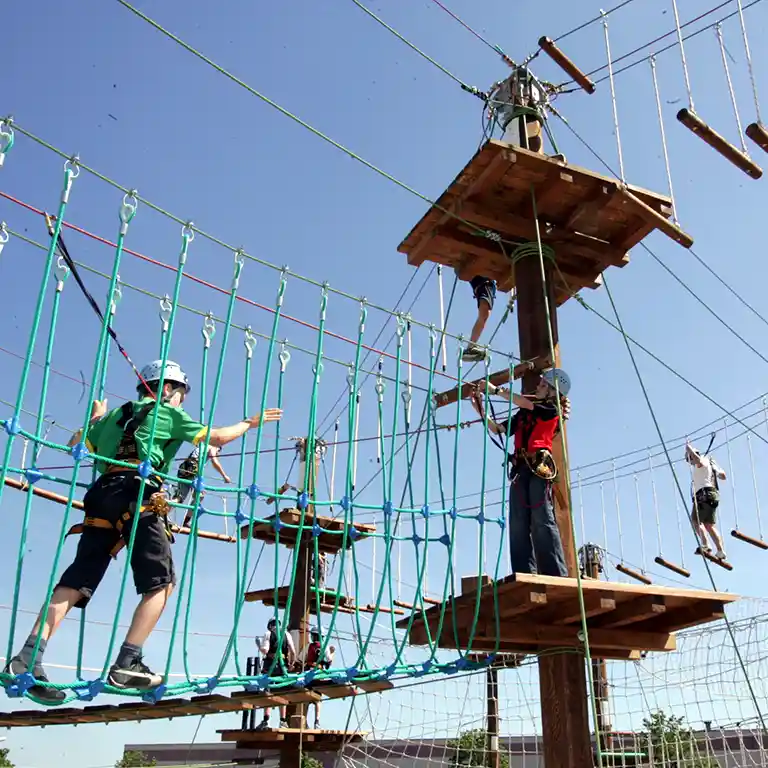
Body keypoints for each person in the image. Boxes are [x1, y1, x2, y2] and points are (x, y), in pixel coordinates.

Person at [4, 360, 282, 703]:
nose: (181, 400)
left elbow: (76, 442)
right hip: (138, 493)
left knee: (75, 582)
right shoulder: (168, 412)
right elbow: (218, 437)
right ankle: (127, 663)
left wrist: (96, 418)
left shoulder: (113, 416)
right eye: (180, 393)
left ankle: (26, 658)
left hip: (101, 495)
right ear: (168, 389)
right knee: (161, 584)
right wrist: (249, 422)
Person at [471, 369, 572, 577]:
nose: (538, 387)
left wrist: (495, 390)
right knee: (517, 522)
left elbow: (526, 403)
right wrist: (482, 412)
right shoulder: (524, 414)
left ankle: (555, 573)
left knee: (541, 518)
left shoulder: (551, 408)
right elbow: (499, 429)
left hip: (538, 468)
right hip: (520, 469)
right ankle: (524, 572)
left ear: (553, 392)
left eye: (543, 385)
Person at [685, 441, 727, 560]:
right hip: (712, 496)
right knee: (709, 525)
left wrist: (689, 449)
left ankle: (706, 544)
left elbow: (698, 460)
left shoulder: (702, 461)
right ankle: (720, 551)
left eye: (689, 459)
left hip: (703, 496)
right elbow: (723, 476)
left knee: (696, 521)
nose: (690, 462)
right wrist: (716, 470)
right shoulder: (710, 464)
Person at [174, 443, 232, 528]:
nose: (218, 454)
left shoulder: (202, 445)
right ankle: (186, 520)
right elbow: (214, 461)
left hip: (184, 468)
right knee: (200, 496)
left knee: (179, 497)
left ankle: (162, 513)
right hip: (194, 469)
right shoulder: (213, 447)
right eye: (218, 451)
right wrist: (224, 476)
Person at [256, 617, 296, 730]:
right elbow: (293, 651)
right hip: (282, 666)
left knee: (268, 691)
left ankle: (266, 720)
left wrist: (258, 645)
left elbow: (265, 650)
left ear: (270, 625)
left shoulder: (268, 634)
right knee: (282, 692)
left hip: (270, 665)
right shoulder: (286, 634)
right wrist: (291, 664)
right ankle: (283, 721)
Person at [296, 627, 335, 728]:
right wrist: (332, 653)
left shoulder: (308, 646)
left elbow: (300, 659)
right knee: (318, 699)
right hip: (319, 674)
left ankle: (304, 721)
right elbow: (329, 661)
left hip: (309, 673)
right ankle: (317, 721)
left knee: (307, 698)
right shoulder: (324, 647)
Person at [461, 276, 497, 362]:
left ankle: (471, 347)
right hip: (484, 283)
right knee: (484, 313)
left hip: (486, 285)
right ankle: (471, 347)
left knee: (485, 315)